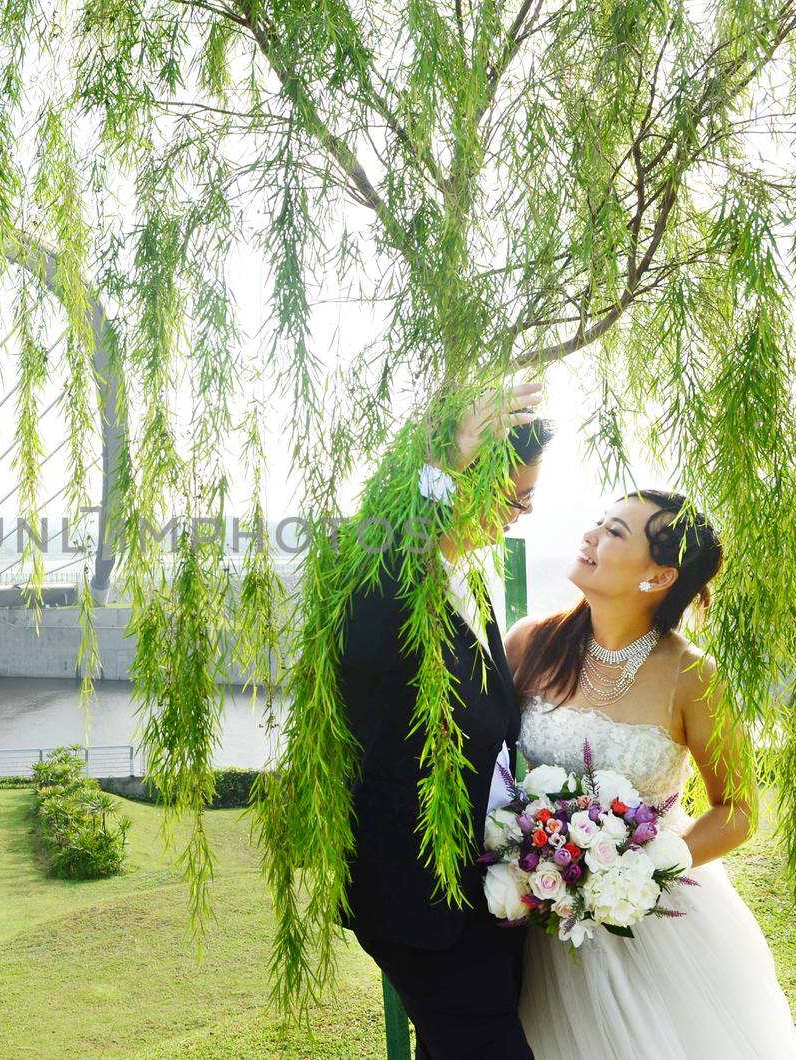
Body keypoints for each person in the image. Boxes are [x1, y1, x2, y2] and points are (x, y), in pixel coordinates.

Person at [506, 490, 796, 1058]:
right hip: (542, 910)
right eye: (599, 521)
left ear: (658, 577)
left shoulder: (694, 676)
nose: (591, 535)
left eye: (616, 532)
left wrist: (641, 869)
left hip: (655, 918)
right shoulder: (532, 643)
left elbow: (737, 810)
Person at [338, 382, 552, 1059]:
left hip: (484, 895)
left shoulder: (469, 570)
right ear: (456, 482)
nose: (520, 516)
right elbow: (381, 545)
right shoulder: (384, 575)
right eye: (511, 498)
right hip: (418, 902)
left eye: (530, 500)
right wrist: (441, 460)